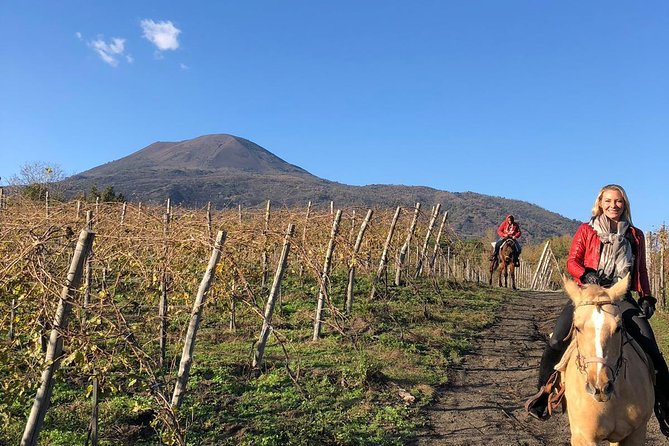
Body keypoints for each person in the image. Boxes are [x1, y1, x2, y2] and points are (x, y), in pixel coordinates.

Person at [525, 184, 669, 435]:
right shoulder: (586, 230)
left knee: (651, 348)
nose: (614, 205)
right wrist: (586, 273)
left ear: (625, 205)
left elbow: (641, 270)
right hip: (588, 294)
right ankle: (544, 394)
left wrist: (646, 296)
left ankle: (663, 406)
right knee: (557, 338)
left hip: (618, 294)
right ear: (600, 204)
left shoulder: (635, 235)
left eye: (619, 201)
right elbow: (573, 261)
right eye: (609, 201)